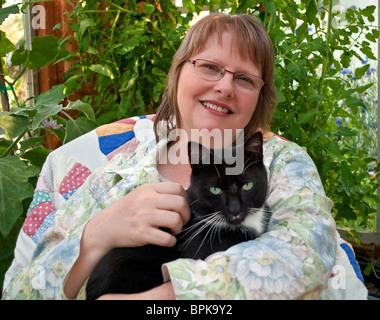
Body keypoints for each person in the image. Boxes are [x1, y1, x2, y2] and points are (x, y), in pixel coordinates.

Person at [2, 13, 367, 300]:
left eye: (244, 79)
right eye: (210, 67)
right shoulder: (115, 171)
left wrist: (165, 297)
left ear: (260, 95)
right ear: (178, 72)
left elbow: (305, 257)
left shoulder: (281, 162)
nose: (224, 86)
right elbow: (21, 292)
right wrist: (95, 236)